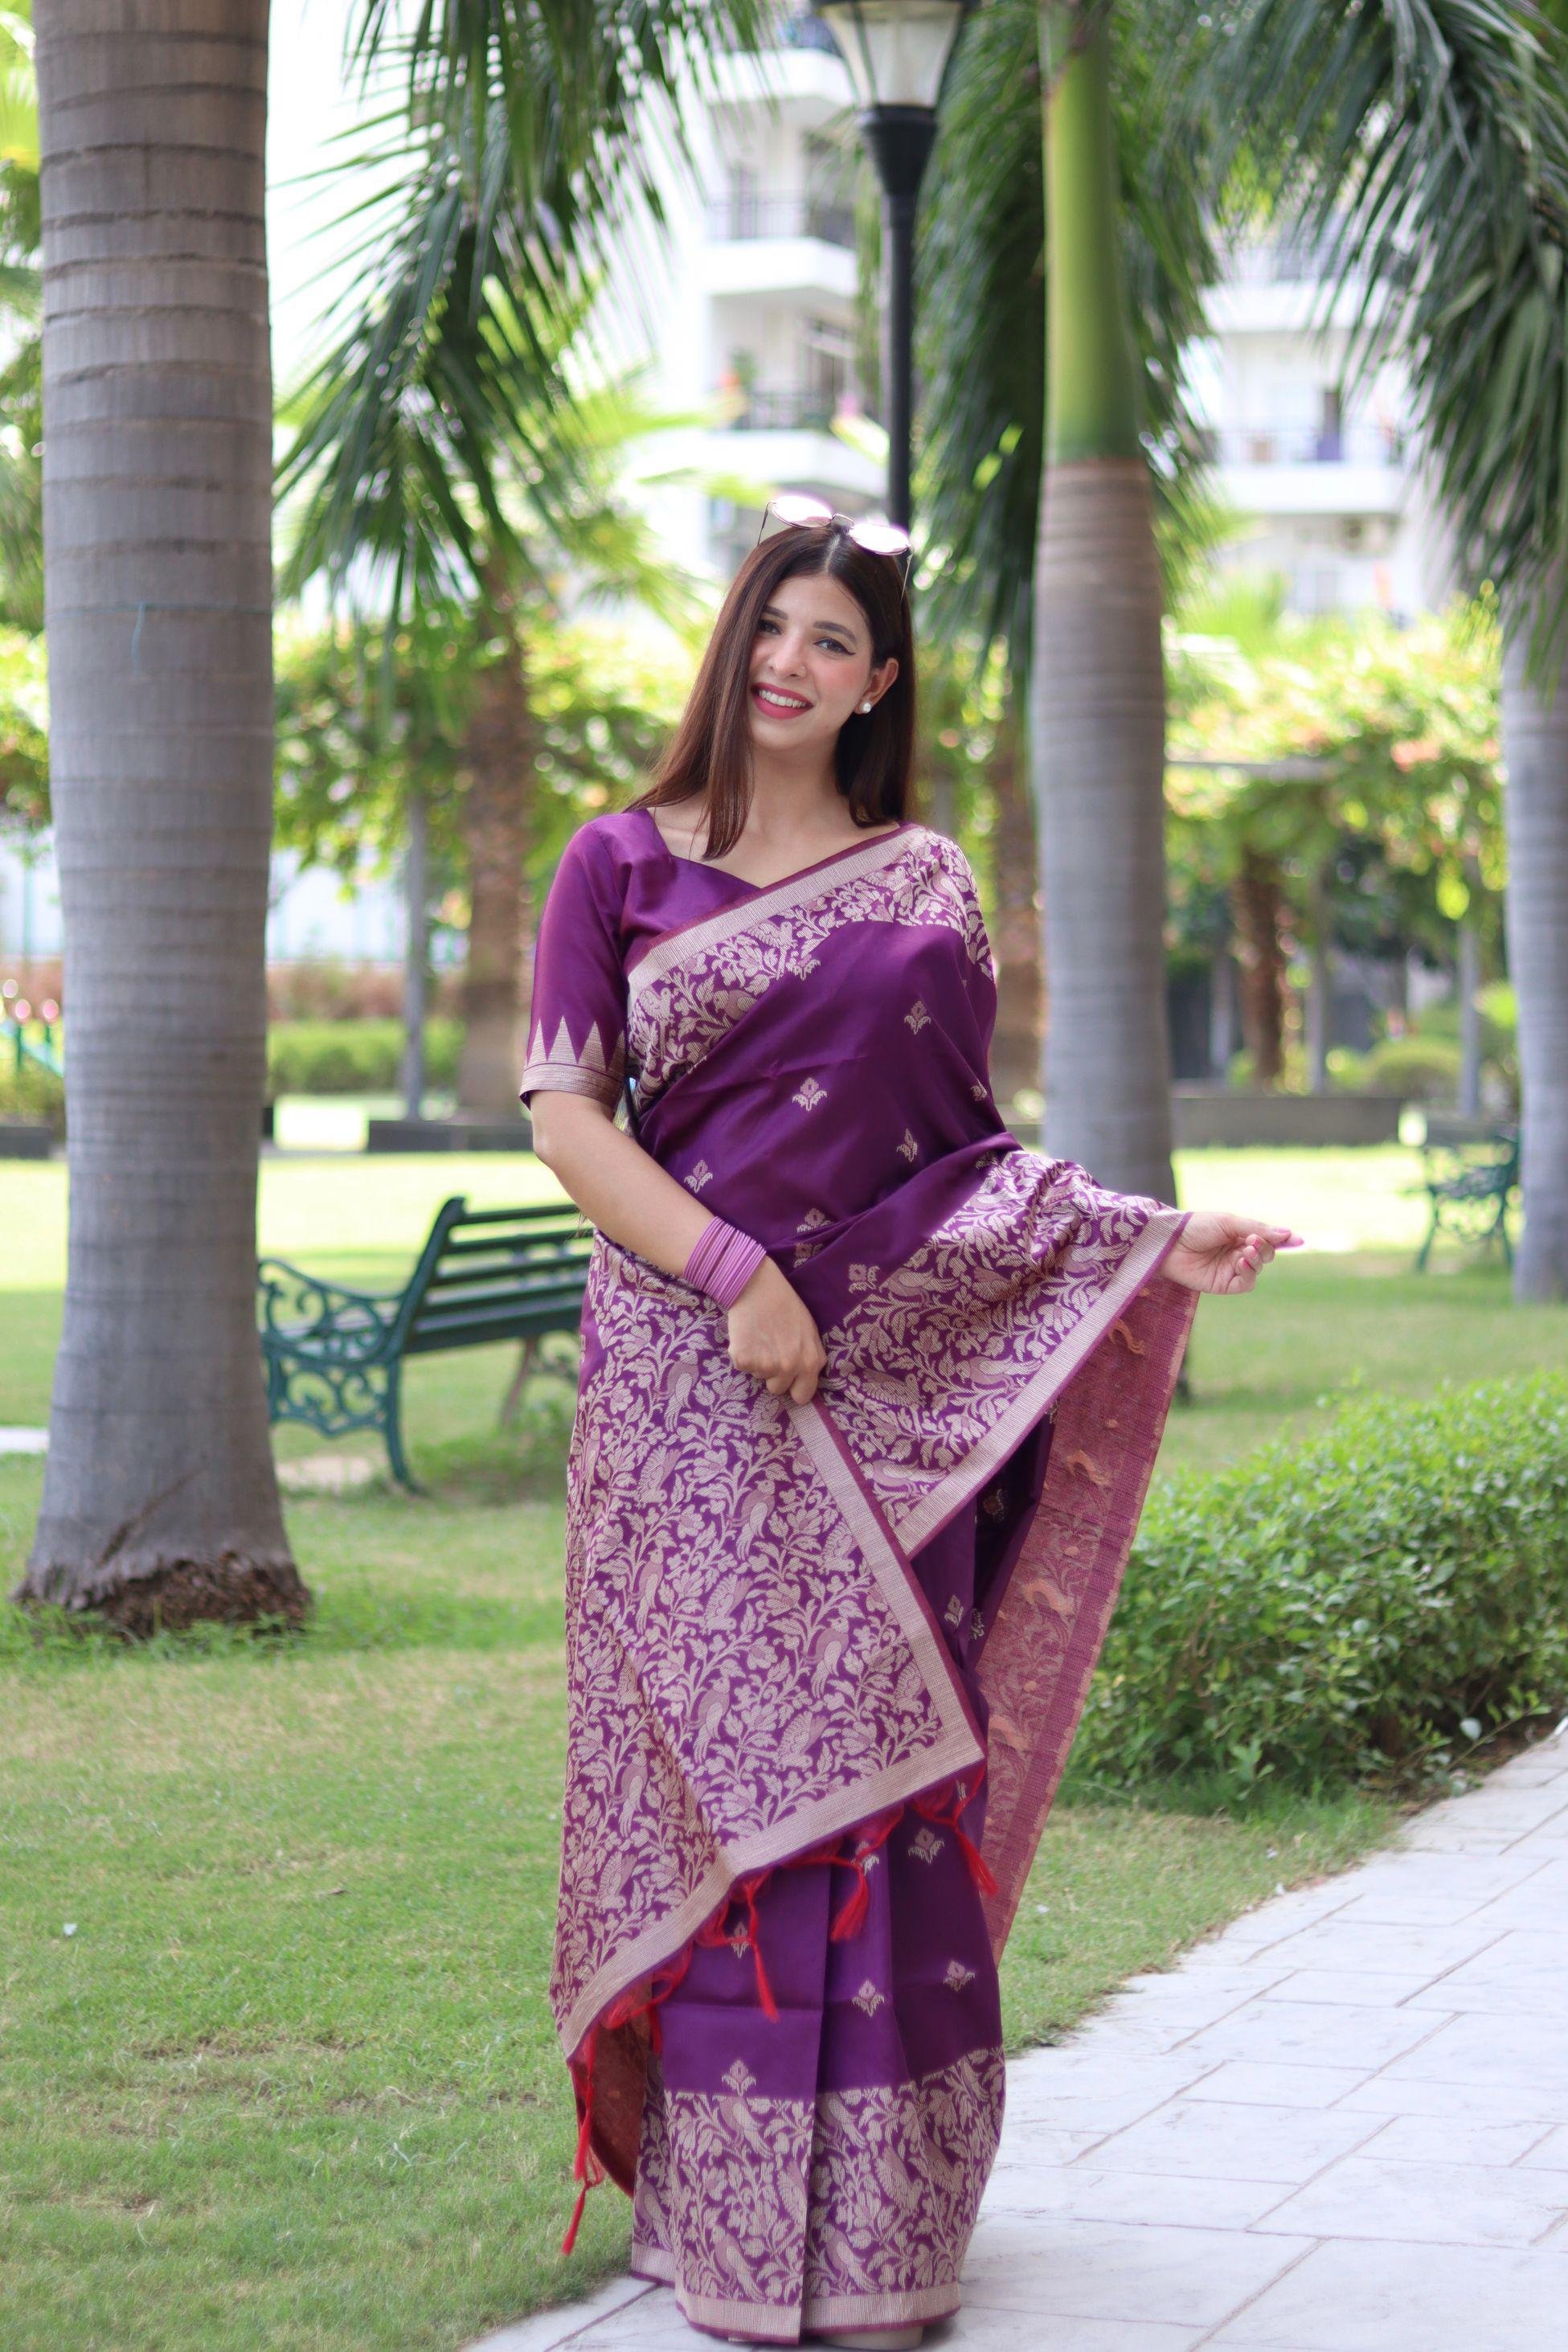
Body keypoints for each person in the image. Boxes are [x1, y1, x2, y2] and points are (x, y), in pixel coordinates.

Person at [521, 498, 1302, 2350]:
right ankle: (724, 2230)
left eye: (834, 643)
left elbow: (965, 1162)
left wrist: (1150, 1239)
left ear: (878, 685)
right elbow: (566, 1121)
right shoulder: (617, 861)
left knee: (876, 1794)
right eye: (771, 628)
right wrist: (735, 1272)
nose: (792, 663)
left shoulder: (924, 880)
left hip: (881, 1387)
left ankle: (881, 2237)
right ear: (735, 646)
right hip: (682, 1383)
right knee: (740, 1793)